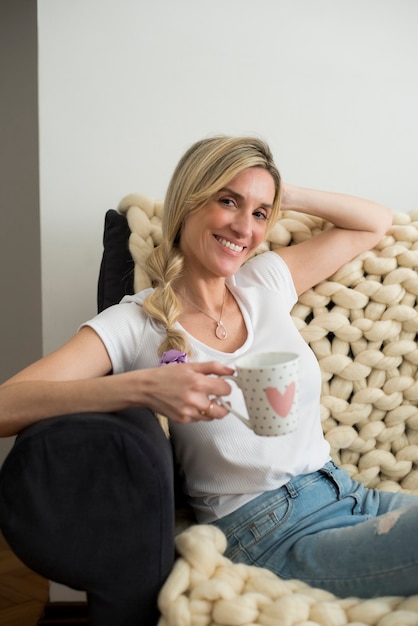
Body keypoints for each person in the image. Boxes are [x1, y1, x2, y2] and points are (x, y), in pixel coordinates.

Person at [1, 135, 417, 600]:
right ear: (188, 203)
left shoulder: (265, 282)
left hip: (347, 493)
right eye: (228, 201)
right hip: (266, 532)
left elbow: (372, 223)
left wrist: (278, 192)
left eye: (259, 213)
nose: (245, 227)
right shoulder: (134, 323)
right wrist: (141, 388)